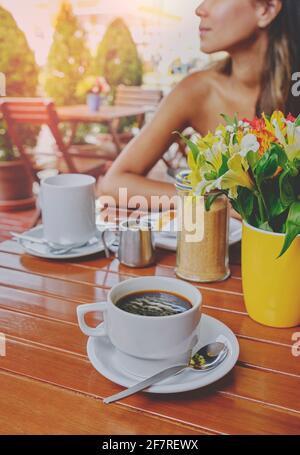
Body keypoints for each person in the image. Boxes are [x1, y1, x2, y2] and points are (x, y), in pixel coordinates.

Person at [100, 0, 300, 212]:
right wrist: (216, 204)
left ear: (266, 9)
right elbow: (114, 183)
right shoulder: (197, 92)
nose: (200, 9)